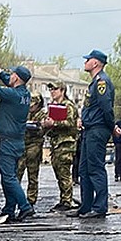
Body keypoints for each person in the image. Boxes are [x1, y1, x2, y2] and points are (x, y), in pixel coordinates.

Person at [0, 60, 35, 222]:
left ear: (17, 78)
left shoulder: (12, 95)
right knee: (9, 176)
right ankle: (9, 209)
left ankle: (25, 206)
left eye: (12, 74)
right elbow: (8, 83)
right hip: (17, 141)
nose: (10, 75)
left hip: (8, 141)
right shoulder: (24, 95)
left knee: (8, 177)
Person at [68, 49, 114, 219]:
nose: (85, 62)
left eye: (88, 60)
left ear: (95, 63)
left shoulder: (102, 82)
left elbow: (106, 108)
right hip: (89, 129)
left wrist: (111, 126)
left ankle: (100, 207)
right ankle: (86, 207)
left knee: (95, 168)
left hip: (97, 129)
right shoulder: (94, 83)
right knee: (84, 169)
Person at [42, 82, 79, 210]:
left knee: (64, 173)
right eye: (50, 89)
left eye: (55, 89)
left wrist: (55, 123)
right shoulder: (54, 106)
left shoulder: (68, 106)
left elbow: (70, 123)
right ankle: (63, 199)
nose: (52, 91)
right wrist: (46, 124)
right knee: (58, 173)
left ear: (62, 90)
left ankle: (67, 201)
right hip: (56, 143)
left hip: (66, 143)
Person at [20, 87, 46, 205]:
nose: (31, 107)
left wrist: (36, 127)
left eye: (33, 105)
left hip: (34, 146)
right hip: (23, 145)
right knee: (17, 173)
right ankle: (17, 198)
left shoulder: (42, 115)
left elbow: (42, 131)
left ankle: (31, 200)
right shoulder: (25, 112)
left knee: (33, 176)